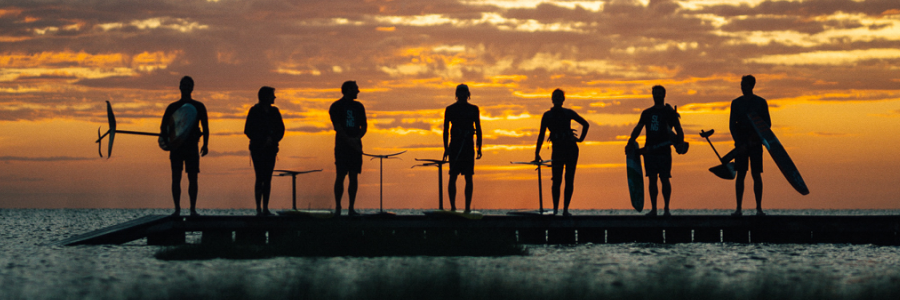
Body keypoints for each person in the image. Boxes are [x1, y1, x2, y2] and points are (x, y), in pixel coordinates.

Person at [626, 85, 684, 217]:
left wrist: (680, 144)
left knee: (665, 179)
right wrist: (630, 142)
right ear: (652, 95)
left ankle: (666, 209)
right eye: (655, 93)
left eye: (659, 93)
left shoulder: (670, 113)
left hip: (664, 152)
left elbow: (679, 129)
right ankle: (654, 209)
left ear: (664, 95)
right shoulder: (647, 113)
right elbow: (638, 128)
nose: (657, 95)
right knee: (652, 180)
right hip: (649, 152)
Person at [160, 76, 209, 217]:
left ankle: (192, 209)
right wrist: (167, 141)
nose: (186, 87)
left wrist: (206, 144)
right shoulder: (172, 107)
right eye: (184, 85)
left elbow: (205, 127)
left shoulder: (199, 107)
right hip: (176, 148)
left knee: (193, 178)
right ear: (179, 87)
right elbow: (164, 127)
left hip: (192, 147)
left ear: (192, 88)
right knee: (176, 178)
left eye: (189, 85)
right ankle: (177, 209)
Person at [534, 89, 589, 216]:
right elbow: (541, 135)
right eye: (555, 97)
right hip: (557, 151)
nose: (558, 99)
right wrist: (536, 153)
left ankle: (565, 210)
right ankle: (555, 210)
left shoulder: (569, 113)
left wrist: (580, 139)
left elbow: (586, 124)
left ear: (563, 100)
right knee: (556, 180)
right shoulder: (547, 116)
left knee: (569, 179)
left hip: (571, 150)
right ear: (552, 99)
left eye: (560, 97)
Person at [729, 75, 770, 217]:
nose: (742, 87)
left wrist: (755, 138)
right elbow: (732, 126)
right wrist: (739, 143)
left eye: (745, 84)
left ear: (752, 86)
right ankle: (738, 209)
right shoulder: (736, 103)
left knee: (756, 174)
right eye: (741, 84)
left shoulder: (761, 103)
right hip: (741, 145)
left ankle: (759, 209)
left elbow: (767, 124)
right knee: (740, 175)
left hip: (756, 145)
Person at [244, 86, 285, 217]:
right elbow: (248, 130)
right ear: (266, 96)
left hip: (271, 149)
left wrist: (272, 139)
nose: (274, 97)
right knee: (259, 177)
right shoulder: (254, 111)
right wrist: (262, 139)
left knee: (267, 179)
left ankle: (265, 208)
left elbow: (281, 129)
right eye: (272, 95)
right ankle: (258, 209)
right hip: (258, 149)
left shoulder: (275, 111)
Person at [442, 84, 482, 213]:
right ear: (457, 95)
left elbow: (479, 129)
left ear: (468, 94)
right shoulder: (450, 109)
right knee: (453, 175)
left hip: (468, 146)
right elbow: (446, 130)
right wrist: (446, 147)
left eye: (465, 93)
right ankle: (453, 207)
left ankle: (467, 208)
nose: (463, 95)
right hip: (454, 145)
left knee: (468, 177)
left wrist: (479, 147)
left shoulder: (474, 109)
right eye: (460, 93)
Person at [330, 81, 367, 217]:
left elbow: (364, 126)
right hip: (342, 147)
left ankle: (351, 208)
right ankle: (338, 207)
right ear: (348, 90)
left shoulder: (359, 106)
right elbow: (337, 126)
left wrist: (356, 139)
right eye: (356, 89)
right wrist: (348, 140)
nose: (358, 91)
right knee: (340, 176)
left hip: (356, 147)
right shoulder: (336, 106)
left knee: (354, 176)